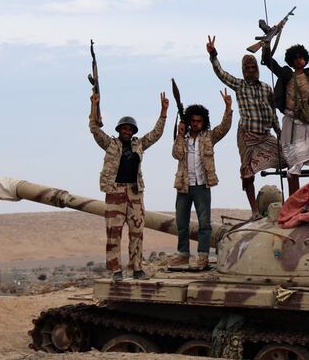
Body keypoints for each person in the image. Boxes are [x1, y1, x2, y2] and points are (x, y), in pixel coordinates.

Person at [89, 92, 168, 281]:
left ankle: (137, 267)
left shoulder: (139, 144)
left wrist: (163, 112)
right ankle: (116, 270)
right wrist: (93, 105)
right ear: (119, 130)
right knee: (113, 232)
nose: (127, 131)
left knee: (137, 232)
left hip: (134, 191)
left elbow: (155, 134)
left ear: (133, 131)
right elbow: (94, 128)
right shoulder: (110, 144)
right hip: (115, 190)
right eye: (124, 128)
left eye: (130, 129)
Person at [206, 35, 281, 215]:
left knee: (287, 158)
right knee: (247, 173)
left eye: (253, 67)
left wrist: (280, 132)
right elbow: (221, 74)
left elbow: (273, 112)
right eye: (246, 68)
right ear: (243, 70)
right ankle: (255, 210)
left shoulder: (266, 88)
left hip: (265, 134)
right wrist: (213, 54)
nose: (250, 70)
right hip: (247, 135)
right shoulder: (239, 85)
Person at [262, 31, 309, 195]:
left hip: (307, 122)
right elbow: (268, 60)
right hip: (291, 122)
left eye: (301, 57)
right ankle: (294, 197)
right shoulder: (286, 74)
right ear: (291, 60)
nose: (299, 61)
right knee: (292, 160)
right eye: (296, 58)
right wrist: (267, 44)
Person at [169, 90, 233, 270]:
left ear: (204, 121)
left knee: (204, 224)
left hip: (202, 185)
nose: (196, 124)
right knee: (182, 222)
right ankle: (183, 254)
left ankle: (203, 256)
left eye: (199, 121)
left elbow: (224, 128)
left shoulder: (209, 137)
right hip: (184, 185)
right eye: (193, 121)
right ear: (188, 121)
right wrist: (180, 135)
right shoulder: (184, 138)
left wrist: (228, 107)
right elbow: (176, 154)